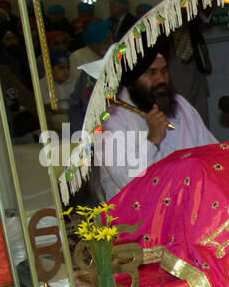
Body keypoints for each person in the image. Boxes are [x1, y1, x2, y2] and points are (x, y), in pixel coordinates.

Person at [95, 37, 216, 200]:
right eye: (151, 73)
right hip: (137, 216)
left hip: (190, 201)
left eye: (164, 71)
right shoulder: (111, 119)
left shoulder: (179, 104)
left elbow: (210, 150)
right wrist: (153, 140)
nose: (161, 80)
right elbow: (127, 180)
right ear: (132, 81)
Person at [69, 20, 113, 87]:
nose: (111, 43)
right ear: (95, 41)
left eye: (112, 39)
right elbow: (78, 84)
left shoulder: (112, 55)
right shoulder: (77, 56)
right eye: (107, 40)